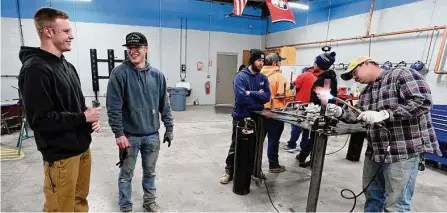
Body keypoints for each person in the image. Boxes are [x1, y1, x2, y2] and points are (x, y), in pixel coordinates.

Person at [326, 56, 442, 212]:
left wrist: (386, 114)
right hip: (375, 153)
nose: (354, 78)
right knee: (373, 198)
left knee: (396, 205)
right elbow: (357, 115)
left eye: (354, 72)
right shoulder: (366, 92)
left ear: (366, 63)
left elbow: (422, 102)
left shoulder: (402, 74)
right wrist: (340, 112)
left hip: (402, 153)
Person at [18, 7, 101, 212]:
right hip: (61, 157)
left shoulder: (66, 66)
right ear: (48, 32)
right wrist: (83, 117)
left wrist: (89, 120)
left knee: (79, 203)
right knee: (60, 209)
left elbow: (77, 106)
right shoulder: (35, 69)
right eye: (65, 31)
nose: (71, 36)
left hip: (82, 149)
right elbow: (40, 120)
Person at [106, 32, 174, 212]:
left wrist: (169, 128)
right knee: (126, 174)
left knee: (150, 172)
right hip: (129, 137)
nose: (133, 51)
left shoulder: (157, 76)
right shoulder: (119, 74)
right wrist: (119, 133)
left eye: (137, 48)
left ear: (146, 49)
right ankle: (126, 207)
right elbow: (113, 107)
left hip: (152, 135)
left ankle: (149, 202)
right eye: (130, 48)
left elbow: (164, 105)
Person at [220, 49, 271, 184]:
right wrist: (257, 98)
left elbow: (267, 97)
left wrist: (250, 93)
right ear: (252, 61)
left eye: (263, 61)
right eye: (259, 60)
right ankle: (229, 170)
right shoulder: (240, 77)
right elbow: (241, 98)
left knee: (256, 145)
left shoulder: (263, 78)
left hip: (257, 118)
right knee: (236, 145)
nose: (261, 63)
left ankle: (254, 169)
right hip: (241, 117)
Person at [296, 51, 337, 168]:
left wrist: (314, 111)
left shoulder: (324, 80)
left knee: (315, 138)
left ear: (320, 64)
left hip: (320, 113)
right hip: (324, 112)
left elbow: (322, 100)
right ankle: (306, 157)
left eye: (315, 62)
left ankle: (309, 159)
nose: (314, 64)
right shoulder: (330, 78)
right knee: (314, 138)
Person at [261, 53, 294, 173]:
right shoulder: (279, 76)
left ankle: (255, 166)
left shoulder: (259, 75)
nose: (281, 64)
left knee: (259, 140)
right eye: (280, 62)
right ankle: (274, 165)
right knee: (273, 140)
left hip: (260, 112)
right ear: (275, 63)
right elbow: (285, 94)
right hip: (275, 113)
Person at [284, 66, 321, 153]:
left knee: (297, 124)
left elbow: (294, 85)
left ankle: (292, 145)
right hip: (311, 106)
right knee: (307, 127)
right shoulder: (317, 77)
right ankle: (303, 145)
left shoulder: (304, 75)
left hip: (300, 104)